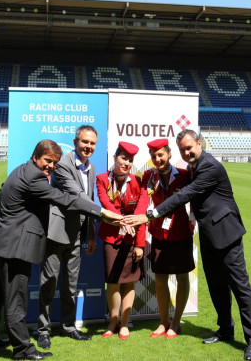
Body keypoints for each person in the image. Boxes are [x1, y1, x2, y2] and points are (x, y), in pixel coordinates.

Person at [0, 139, 122, 361]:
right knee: (15, 300)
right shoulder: (34, 177)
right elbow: (63, 199)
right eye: (47, 161)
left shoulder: (21, 169)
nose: (51, 166)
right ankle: (23, 350)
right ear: (36, 157)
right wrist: (101, 213)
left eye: (54, 162)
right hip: (13, 248)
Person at [124, 130, 251, 360]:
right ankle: (226, 329)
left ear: (199, 143)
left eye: (190, 147)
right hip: (208, 235)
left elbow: (186, 194)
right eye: (182, 150)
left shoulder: (209, 166)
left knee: (240, 288)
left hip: (227, 235)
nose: (187, 152)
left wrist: (151, 215)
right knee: (217, 286)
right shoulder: (193, 168)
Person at [38, 126, 99, 349]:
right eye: (85, 142)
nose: (88, 147)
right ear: (75, 141)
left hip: (76, 236)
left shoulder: (91, 168)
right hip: (56, 234)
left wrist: (90, 235)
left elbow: (88, 199)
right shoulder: (62, 164)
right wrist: (105, 214)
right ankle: (43, 330)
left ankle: (68, 326)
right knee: (48, 284)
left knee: (70, 286)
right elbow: (78, 196)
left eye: (92, 143)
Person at [140, 138, 194, 339]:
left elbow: (195, 197)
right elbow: (144, 200)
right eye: (153, 156)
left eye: (160, 155)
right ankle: (163, 322)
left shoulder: (183, 175)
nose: (157, 159)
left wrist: (193, 218)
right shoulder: (148, 176)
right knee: (160, 278)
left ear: (169, 154)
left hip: (180, 232)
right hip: (158, 233)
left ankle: (176, 322)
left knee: (182, 277)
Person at [96, 141, 149, 340]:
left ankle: (125, 323)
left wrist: (140, 244)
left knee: (130, 282)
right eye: (123, 158)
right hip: (111, 237)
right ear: (115, 157)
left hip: (133, 238)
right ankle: (113, 320)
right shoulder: (102, 179)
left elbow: (141, 214)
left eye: (130, 160)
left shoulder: (138, 181)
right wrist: (121, 221)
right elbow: (106, 203)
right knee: (113, 282)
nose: (127, 163)